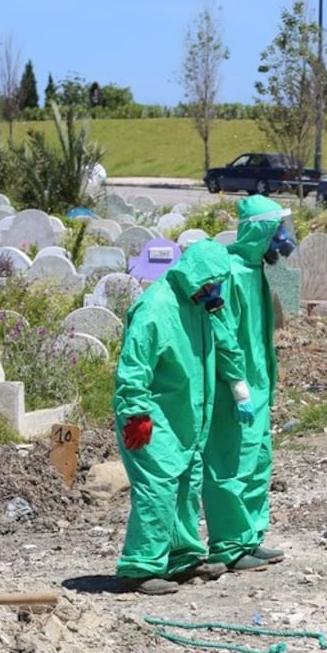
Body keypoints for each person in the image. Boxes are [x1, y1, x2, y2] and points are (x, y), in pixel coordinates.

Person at [113, 238, 246, 595]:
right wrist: (135, 411)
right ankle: (140, 567)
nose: (213, 289)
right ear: (194, 274)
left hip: (185, 419)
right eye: (209, 282)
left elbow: (222, 348)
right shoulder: (156, 307)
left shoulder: (198, 306)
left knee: (186, 486)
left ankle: (182, 557)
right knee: (156, 491)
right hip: (151, 420)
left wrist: (238, 388)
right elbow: (133, 365)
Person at [203, 195, 295, 572]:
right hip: (234, 390)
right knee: (231, 464)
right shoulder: (230, 273)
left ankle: (250, 537)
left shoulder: (257, 269)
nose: (285, 240)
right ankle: (228, 545)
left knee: (258, 463)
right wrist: (238, 383)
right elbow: (223, 333)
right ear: (261, 231)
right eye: (279, 231)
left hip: (258, 386)